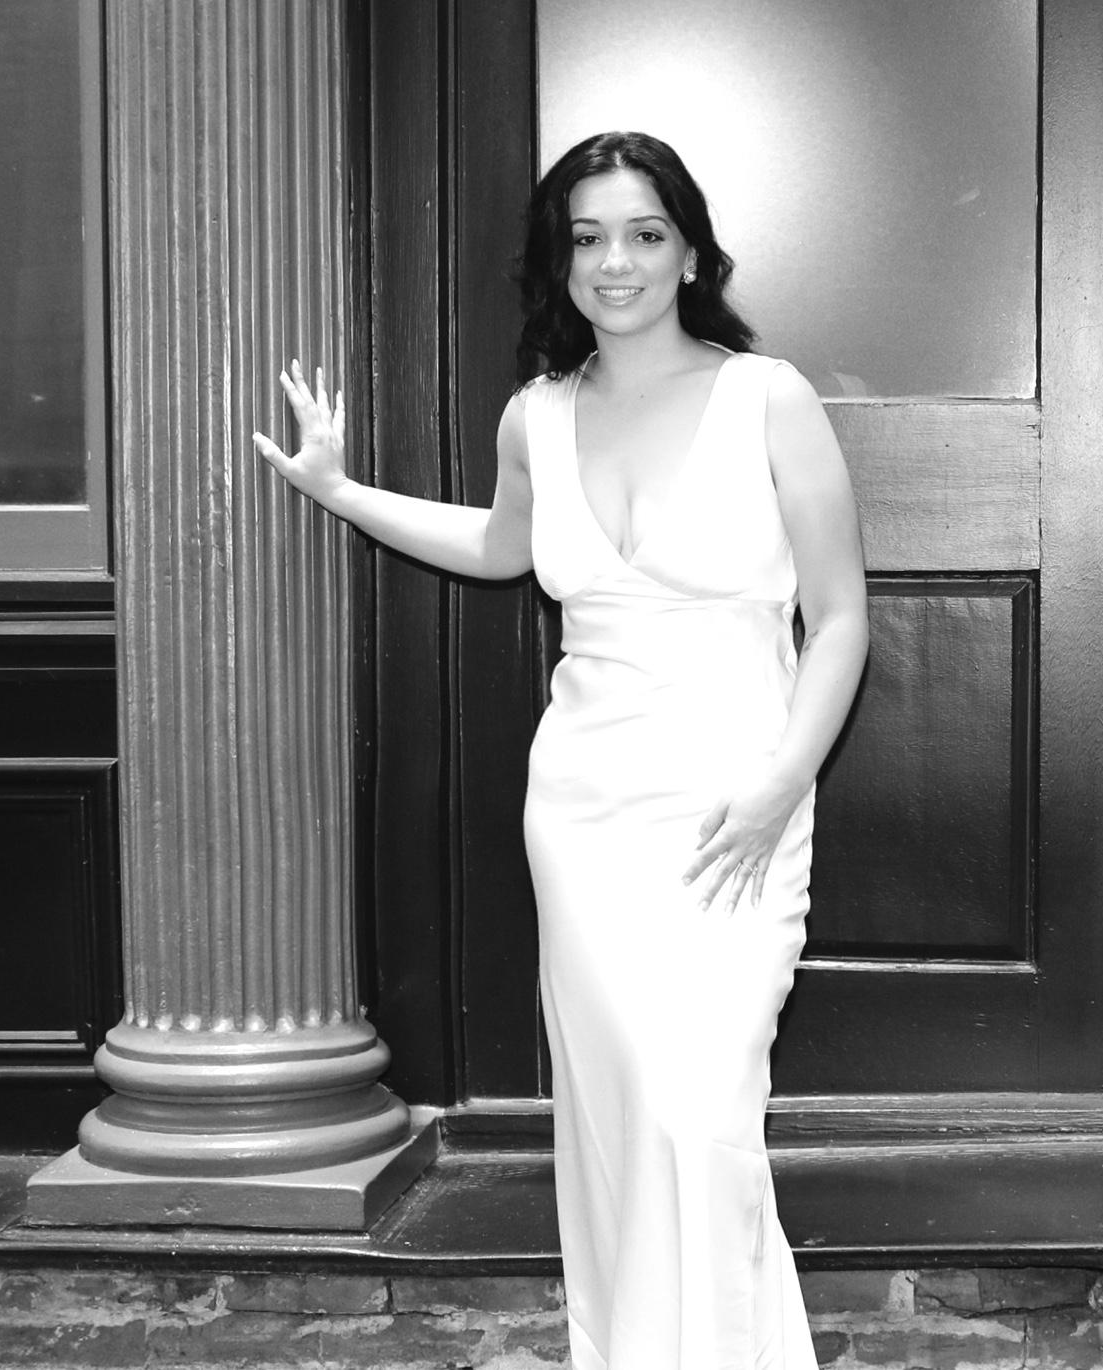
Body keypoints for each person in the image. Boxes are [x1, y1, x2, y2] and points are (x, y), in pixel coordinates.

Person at [255, 131, 866, 1370]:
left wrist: (779, 784)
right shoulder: (536, 415)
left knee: (700, 1118)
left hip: (734, 807)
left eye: (644, 233)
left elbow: (842, 617)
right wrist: (339, 491)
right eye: (587, 238)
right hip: (584, 815)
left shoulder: (768, 398)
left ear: (689, 254)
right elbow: (500, 547)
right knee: (620, 1122)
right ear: (560, 260)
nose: (615, 261)